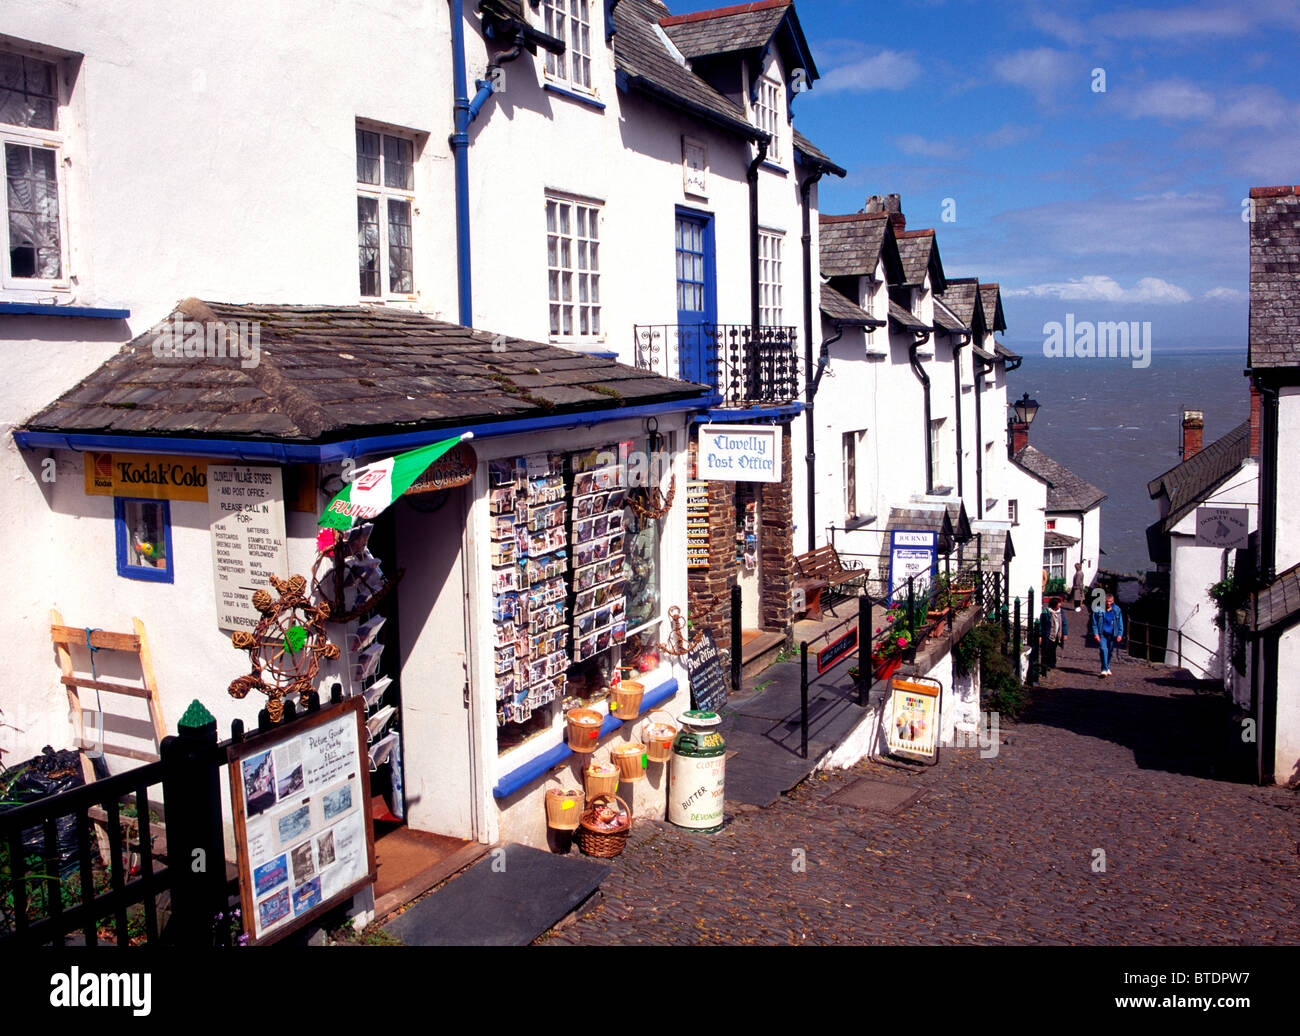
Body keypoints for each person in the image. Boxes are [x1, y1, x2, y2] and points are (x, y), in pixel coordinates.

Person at [1089, 590, 1124, 677]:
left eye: (1110, 601)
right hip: (1102, 634)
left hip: (1112, 634)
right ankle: (1104, 669)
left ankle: (1107, 666)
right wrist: (1096, 634)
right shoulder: (1098, 609)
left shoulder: (1117, 610)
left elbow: (1120, 622)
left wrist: (1120, 634)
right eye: (1107, 601)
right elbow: (1094, 623)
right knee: (1103, 650)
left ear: (1113, 601)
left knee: (1110, 652)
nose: (1108, 603)